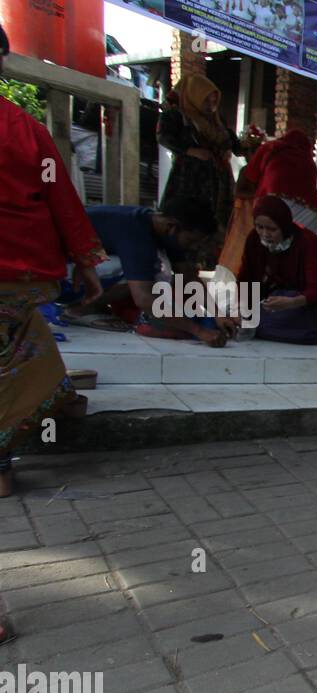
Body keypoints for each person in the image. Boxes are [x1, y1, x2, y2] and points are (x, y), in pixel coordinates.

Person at [0, 20, 103, 510]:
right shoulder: (25, 129)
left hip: (16, 276)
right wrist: (86, 263)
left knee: (22, 350)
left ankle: (58, 400)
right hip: (20, 273)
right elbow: (62, 200)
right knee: (18, 356)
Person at [68, 198, 223, 343]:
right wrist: (199, 331)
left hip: (76, 267)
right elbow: (144, 299)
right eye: (191, 240)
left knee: (154, 274)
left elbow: (187, 277)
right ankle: (79, 309)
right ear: (172, 227)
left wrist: (218, 315)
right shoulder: (137, 235)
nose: (193, 247)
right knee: (149, 276)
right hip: (61, 275)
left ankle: (94, 304)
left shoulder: (163, 230)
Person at [157, 73, 243, 266]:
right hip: (191, 181)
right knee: (189, 223)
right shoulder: (176, 115)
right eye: (206, 100)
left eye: (214, 100)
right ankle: (183, 270)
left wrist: (229, 149)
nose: (211, 105)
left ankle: (209, 267)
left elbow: (234, 143)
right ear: (194, 97)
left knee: (215, 228)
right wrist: (190, 150)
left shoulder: (216, 121)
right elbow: (164, 137)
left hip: (218, 182)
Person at [235, 196, 317, 344]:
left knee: (300, 323)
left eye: (272, 229)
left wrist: (290, 303)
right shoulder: (254, 239)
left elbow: (316, 290)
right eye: (260, 227)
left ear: (284, 226)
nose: (265, 234)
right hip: (273, 298)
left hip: (304, 301)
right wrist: (243, 307)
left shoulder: (307, 243)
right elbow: (246, 277)